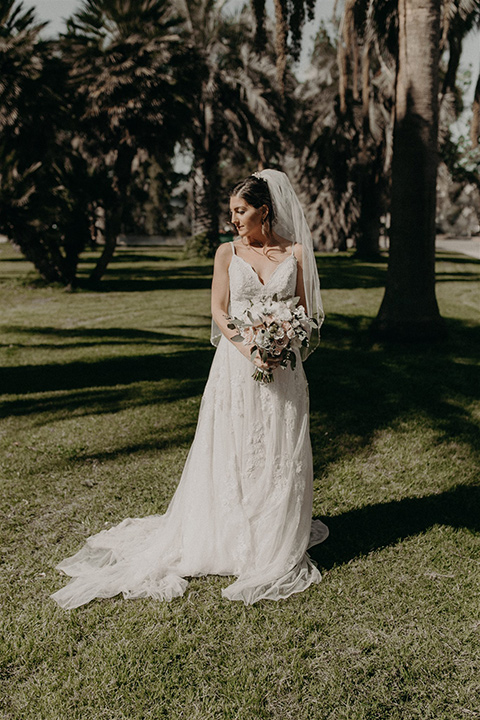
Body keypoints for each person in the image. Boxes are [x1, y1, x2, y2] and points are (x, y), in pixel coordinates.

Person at [51, 169, 328, 609]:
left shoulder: (296, 254)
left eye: (241, 211)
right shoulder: (226, 253)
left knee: (279, 448)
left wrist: (284, 340)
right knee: (234, 446)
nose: (234, 219)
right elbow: (219, 312)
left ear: (265, 210)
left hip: (284, 369)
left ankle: (273, 533)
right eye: (231, 212)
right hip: (237, 367)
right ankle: (229, 531)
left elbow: (309, 316)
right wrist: (250, 348)